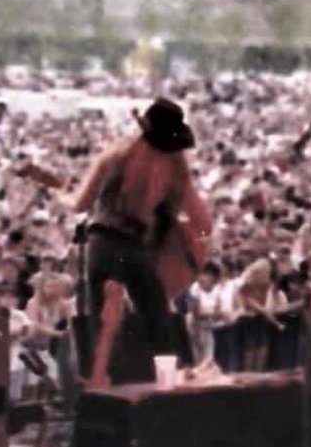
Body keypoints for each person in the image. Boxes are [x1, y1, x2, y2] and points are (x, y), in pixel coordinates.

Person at [69, 97, 211, 373]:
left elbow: (79, 205)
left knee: (102, 330)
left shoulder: (113, 156)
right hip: (137, 249)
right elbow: (204, 225)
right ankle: (166, 390)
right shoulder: (174, 169)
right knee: (159, 326)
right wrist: (173, 229)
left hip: (101, 243)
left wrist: (62, 195)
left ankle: (103, 393)